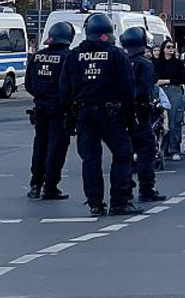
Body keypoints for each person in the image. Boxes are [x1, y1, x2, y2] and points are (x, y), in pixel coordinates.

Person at [59, 13, 141, 216]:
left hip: (84, 113)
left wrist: (68, 116)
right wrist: (131, 118)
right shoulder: (116, 55)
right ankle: (120, 201)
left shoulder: (74, 55)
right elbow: (127, 90)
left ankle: (95, 203)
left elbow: (64, 88)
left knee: (90, 159)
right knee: (122, 154)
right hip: (111, 113)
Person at [26, 21, 75, 201]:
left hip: (40, 108)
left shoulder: (37, 56)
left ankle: (35, 184)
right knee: (57, 147)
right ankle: (50, 186)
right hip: (60, 109)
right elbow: (71, 85)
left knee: (40, 144)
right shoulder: (68, 57)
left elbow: (29, 85)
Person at [120, 27, 167, 204]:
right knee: (146, 151)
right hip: (140, 113)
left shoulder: (121, 61)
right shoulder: (145, 64)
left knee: (124, 153)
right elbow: (146, 90)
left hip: (121, 113)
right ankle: (147, 189)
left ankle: (125, 189)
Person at [153, 40, 185, 161]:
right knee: (161, 120)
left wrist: (167, 81)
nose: (171, 49)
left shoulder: (178, 63)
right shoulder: (157, 63)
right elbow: (154, 77)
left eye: (172, 47)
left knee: (174, 121)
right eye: (168, 47)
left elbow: (182, 78)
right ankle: (162, 149)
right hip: (160, 90)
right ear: (163, 49)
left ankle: (174, 149)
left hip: (174, 90)